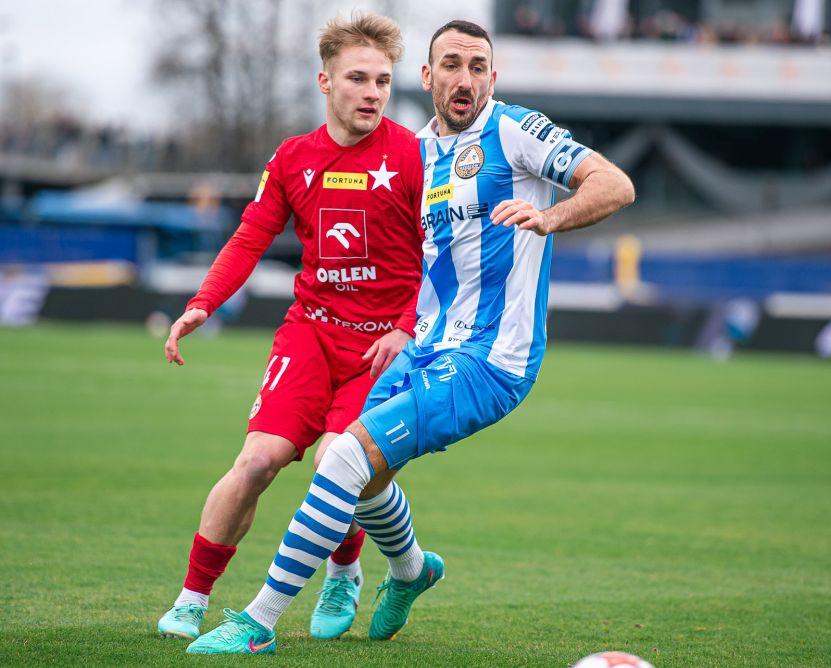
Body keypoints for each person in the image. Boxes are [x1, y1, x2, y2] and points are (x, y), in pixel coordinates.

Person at [185, 18, 635, 655]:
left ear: (493, 77)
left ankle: (258, 622)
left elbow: (616, 184)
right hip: (422, 346)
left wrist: (548, 216)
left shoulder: (516, 130)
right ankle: (411, 569)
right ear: (426, 77)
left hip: (490, 358)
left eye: (477, 67)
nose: (465, 79)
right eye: (451, 65)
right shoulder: (414, 152)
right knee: (357, 473)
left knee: (344, 459)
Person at [156, 13, 425, 642]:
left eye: (383, 81)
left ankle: (344, 571)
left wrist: (408, 326)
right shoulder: (292, 158)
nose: (372, 93)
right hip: (311, 332)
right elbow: (251, 236)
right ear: (324, 81)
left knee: (338, 461)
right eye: (357, 78)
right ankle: (192, 598)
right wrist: (203, 303)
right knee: (256, 462)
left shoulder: (416, 157)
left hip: (383, 344)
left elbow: (443, 259)